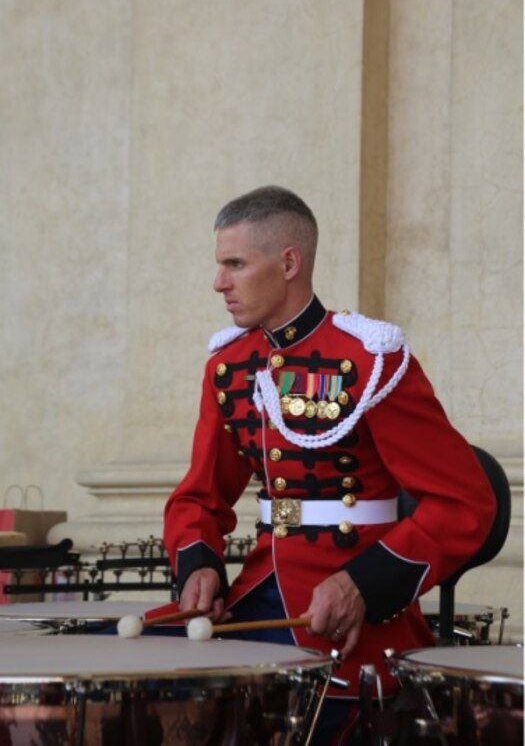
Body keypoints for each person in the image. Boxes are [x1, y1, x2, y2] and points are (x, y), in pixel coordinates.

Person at [156, 185, 496, 744]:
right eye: (220, 265)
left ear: (289, 263)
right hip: (259, 593)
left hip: (349, 611)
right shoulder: (229, 366)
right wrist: (200, 566)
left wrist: (364, 585)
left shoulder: (371, 359)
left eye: (235, 264)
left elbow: (465, 504)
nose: (219, 283)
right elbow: (199, 498)